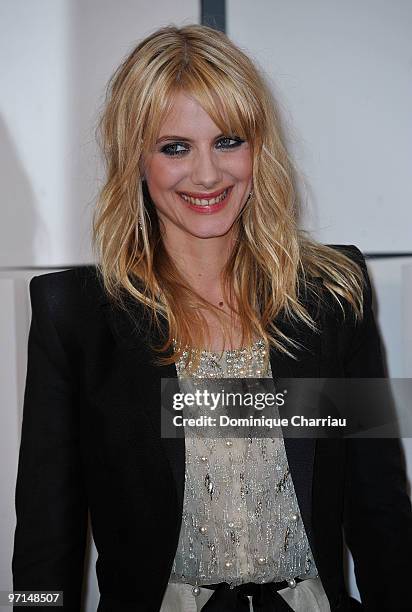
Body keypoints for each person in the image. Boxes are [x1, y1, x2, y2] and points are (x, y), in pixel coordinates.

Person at [11, 23, 412, 612]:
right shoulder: (75, 318)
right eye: (175, 147)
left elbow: (380, 510)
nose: (208, 174)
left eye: (227, 141)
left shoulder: (331, 293)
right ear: (136, 160)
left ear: (258, 148)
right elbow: (46, 535)